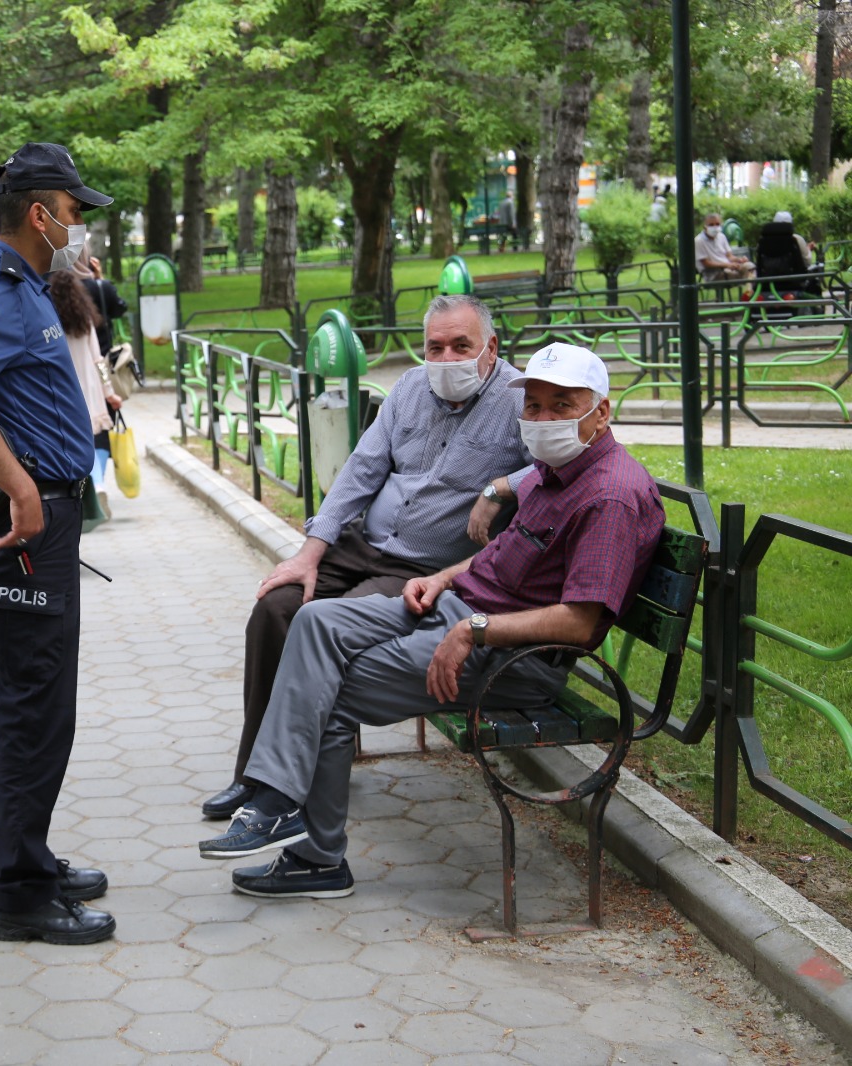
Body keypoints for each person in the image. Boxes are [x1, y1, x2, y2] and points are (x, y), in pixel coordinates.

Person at [199, 344, 666, 900]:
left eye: (561, 405)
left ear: (602, 412)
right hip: (457, 607)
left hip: (513, 658)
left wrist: (474, 631)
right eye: (534, 406)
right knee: (315, 620)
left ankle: (316, 858)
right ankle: (279, 801)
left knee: (330, 689)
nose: (542, 419)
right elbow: (511, 550)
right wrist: (446, 576)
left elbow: (580, 625)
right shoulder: (554, 469)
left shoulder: (608, 496)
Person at [199, 294, 533, 820]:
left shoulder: (519, 401)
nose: (445, 360)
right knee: (276, 605)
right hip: (362, 546)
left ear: (490, 348)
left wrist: (501, 486)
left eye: (460, 347)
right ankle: (254, 774)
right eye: (435, 347)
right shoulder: (408, 388)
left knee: (319, 621)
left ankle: (295, 780)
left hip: (424, 571)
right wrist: (310, 553)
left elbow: (560, 466)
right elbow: (362, 470)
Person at [0, 141, 117, 945]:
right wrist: (16, 484)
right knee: (32, 705)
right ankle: (19, 894)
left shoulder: (31, 284)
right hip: (21, 526)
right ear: (39, 214)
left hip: (41, 519)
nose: (80, 227)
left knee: (33, 700)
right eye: (75, 212)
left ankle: (26, 857)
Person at [49, 271, 121, 527]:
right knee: (93, 438)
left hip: (65, 387)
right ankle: (98, 483)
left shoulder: (49, 322)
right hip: (90, 384)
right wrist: (109, 391)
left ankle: (83, 491)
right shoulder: (86, 320)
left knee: (73, 442)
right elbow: (98, 358)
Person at [72, 252, 128, 363]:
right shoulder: (100, 286)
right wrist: (100, 279)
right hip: (103, 354)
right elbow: (119, 309)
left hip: (75, 357)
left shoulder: (61, 288)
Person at [696, 213, 755, 285]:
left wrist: (739, 260)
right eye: (711, 225)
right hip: (713, 274)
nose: (715, 227)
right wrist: (726, 265)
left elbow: (729, 256)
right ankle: (749, 291)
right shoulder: (699, 240)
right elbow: (706, 263)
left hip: (728, 268)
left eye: (717, 224)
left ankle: (750, 292)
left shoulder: (721, 236)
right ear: (705, 226)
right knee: (742, 276)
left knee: (749, 266)